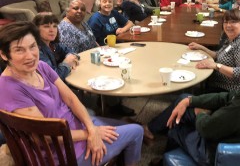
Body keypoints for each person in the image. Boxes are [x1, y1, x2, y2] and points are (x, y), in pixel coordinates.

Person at [0, 21, 143, 166]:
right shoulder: (9, 88)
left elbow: (71, 98)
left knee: (123, 125)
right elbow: (46, 136)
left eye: (32, 47)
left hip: (75, 127)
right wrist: (91, 133)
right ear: (5, 55)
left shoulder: (40, 67)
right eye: (19, 50)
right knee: (136, 131)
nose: (30, 56)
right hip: (61, 152)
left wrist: (92, 129)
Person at [164, 37, 240, 165]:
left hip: (220, 155)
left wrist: (201, 113)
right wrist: (191, 101)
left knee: (176, 127)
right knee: (185, 102)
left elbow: (207, 129)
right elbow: (227, 97)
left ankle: (164, 158)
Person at [143, 9, 240, 141]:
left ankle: (151, 129)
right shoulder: (234, 38)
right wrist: (202, 48)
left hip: (227, 92)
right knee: (186, 93)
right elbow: (219, 55)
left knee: (183, 98)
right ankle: (165, 127)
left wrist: (216, 66)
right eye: (226, 21)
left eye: (233, 22)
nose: (228, 25)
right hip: (216, 84)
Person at [32, 12, 79, 81]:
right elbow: (55, 78)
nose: (52, 30)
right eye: (46, 26)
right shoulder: (38, 51)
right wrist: (66, 63)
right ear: (36, 29)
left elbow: (73, 53)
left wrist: (72, 59)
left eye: (54, 26)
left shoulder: (53, 44)